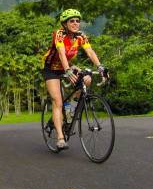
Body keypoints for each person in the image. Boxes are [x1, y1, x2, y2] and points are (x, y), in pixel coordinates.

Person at [42, 9, 106, 150]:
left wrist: (100, 67)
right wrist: (68, 70)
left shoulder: (81, 36)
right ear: (65, 24)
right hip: (51, 69)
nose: (76, 23)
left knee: (87, 79)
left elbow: (89, 51)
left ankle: (70, 109)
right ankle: (60, 137)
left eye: (78, 21)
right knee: (57, 101)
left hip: (68, 66)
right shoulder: (59, 34)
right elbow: (61, 53)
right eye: (72, 21)